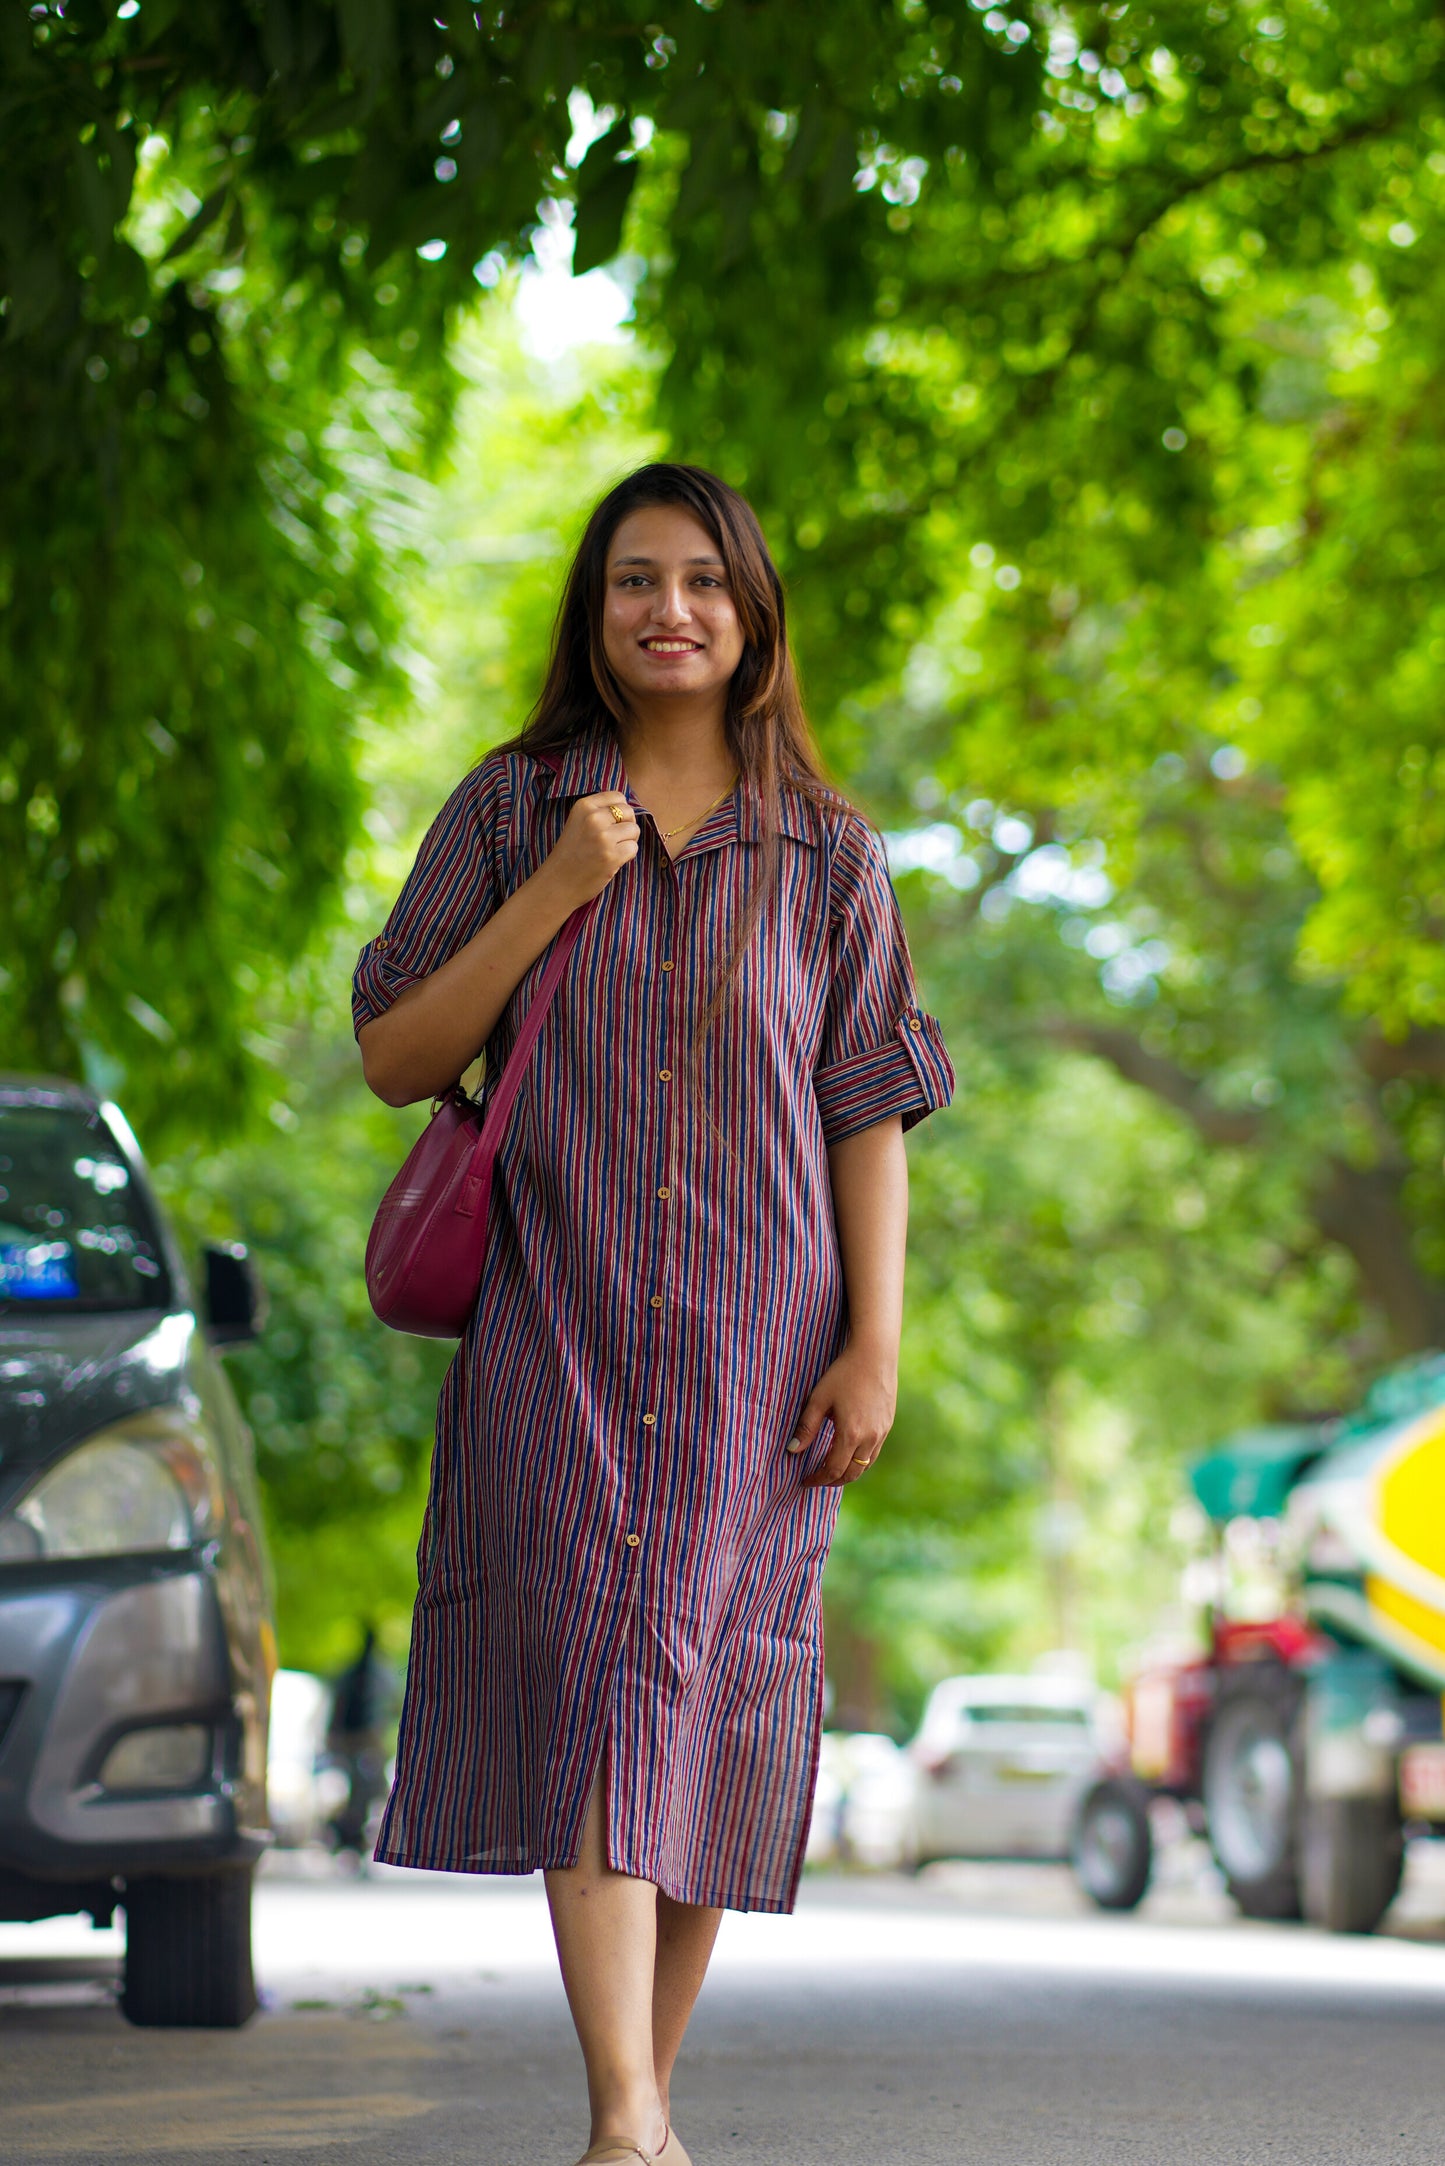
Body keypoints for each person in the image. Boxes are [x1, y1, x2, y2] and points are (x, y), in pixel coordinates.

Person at [354, 463, 954, 2166]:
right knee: (588, 1690)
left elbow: (868, 1107)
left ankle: (640, 2108)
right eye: (634, 579)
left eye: (702, 579)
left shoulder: (828, 852)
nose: (667, 608)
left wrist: (875, 1342)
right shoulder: (511, 804)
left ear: (751, 612)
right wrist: (552, 885)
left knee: (697, 1700)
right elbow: (397, 1051)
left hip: (765, 1352)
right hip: (557, 1322)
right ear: (594, 611)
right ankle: (626, 2121)